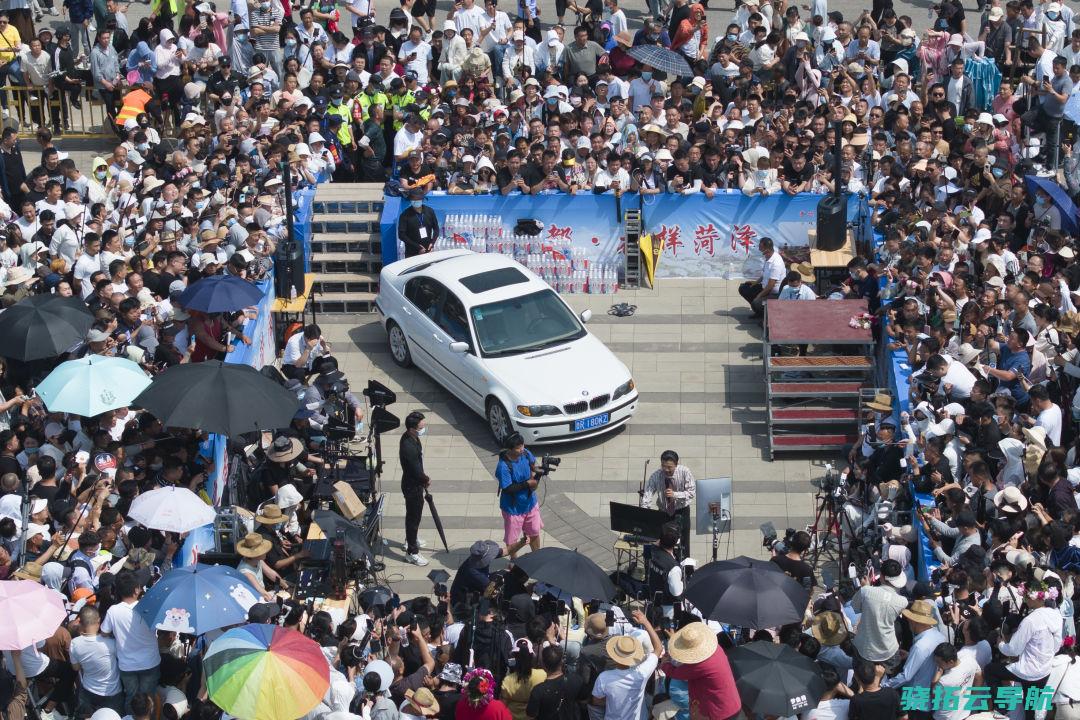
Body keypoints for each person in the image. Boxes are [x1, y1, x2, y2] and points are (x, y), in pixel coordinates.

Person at [660, 622, 741, 720]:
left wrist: (664, 663)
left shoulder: (700, 664)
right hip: (731, 704)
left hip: (719, 712)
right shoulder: (716, 648)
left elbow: (675, 672)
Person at [591, 610, 663, 720]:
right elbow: (658, 648)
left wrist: (614, 699)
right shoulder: (641, 673)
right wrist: (645, 622)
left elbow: (597, 701)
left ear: (614, 653)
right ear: (635, 653)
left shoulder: (604, 678)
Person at [494, 432, 542, 559]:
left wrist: (537, 470)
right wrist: (527, 484)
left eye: (522, 445)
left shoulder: (525, 453)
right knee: (512, 540)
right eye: (518, 448)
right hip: (513, 509)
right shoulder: (503, 466)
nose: (522, 449)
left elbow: (532, 464)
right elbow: (508, 488)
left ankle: (537, 557)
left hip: (530, 503)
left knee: (534, 532)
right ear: (509, 449)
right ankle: (514, 561)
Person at [639, 450, 695, 556]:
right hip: (664, 512)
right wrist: (645, 511)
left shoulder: (685, 472)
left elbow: (691, 493)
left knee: (683, 541)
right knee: (663, 540)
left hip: (681, 511)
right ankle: (665, 564)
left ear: (676, 464)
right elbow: (648, 494)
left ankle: (685, 568)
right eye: (663, 466)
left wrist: (675, 494)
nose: (666, 470)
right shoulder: (657, 475)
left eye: (669, 467)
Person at [399, 411, 430, 566]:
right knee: (413, 518)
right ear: (412, 428)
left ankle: (411, 538)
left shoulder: (411, 438)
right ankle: (412, 552)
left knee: (413, 517)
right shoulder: (408, 446)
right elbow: (415, 470)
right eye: (421, 426)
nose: (423, 428)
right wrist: (425, 479)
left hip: (414, 484)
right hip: (412, 487)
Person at [737, 237, 786, 318]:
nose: (759, 249)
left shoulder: (776, 263)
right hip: (764, 287)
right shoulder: (768, 257)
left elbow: (770, 286)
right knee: (743, 288)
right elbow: (765, 274)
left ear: (767, 248)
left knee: (756, 302)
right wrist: (755, 283)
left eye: (761, 248)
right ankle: (759, 312)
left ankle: (765, 317)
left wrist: (758, 296)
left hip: (773, 293)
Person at [398, 188, 440, 257]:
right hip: (412, 252)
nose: (415, 201)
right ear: (410, 200)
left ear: (422, 199)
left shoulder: (430, 211)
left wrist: (432, 243)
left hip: (428, 250)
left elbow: (436, 229)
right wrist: (418, 247)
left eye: (418, 199)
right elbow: (401, 235)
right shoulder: (404, 215)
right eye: (413, 199)